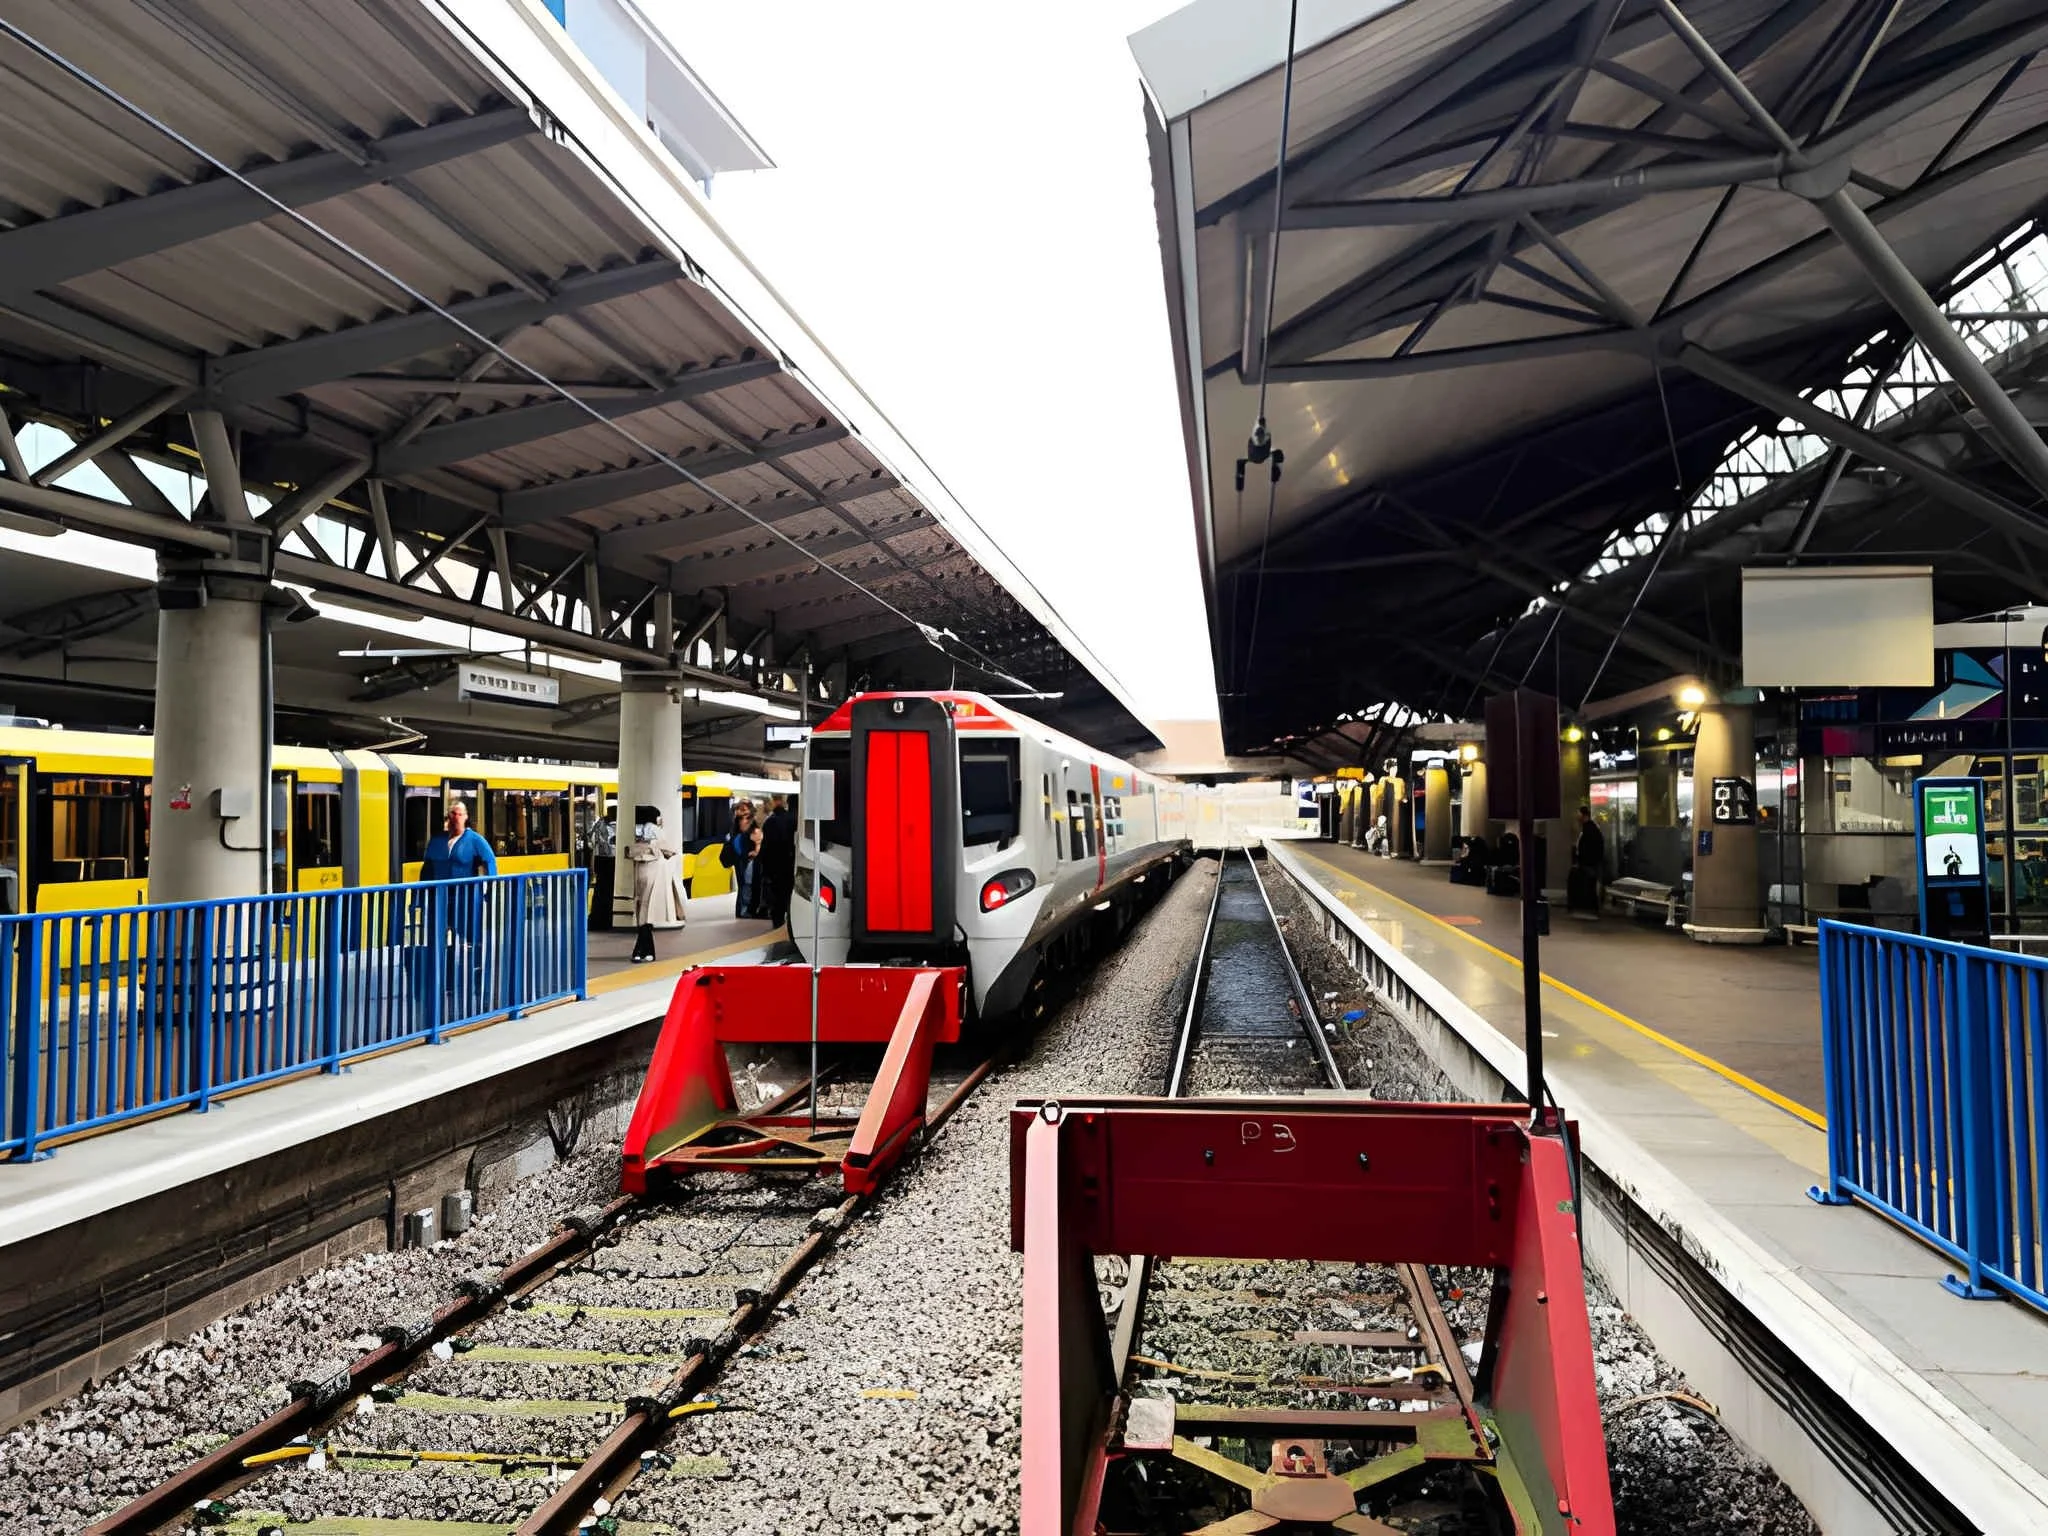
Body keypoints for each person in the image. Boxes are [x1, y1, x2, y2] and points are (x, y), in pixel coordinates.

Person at [627, 803, 683, 964]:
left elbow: (627, 849)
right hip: (654, 870)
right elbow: (669, 850)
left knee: (641, 910)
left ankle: (640, 951)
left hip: (639, 869)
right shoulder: (654, 829)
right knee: (648, 910)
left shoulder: (632, 828)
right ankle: (646, 951)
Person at [760, 795, 797, 927]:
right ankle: (790, 922)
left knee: (777, 896)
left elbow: (765, 847)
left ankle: (778, 922)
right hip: (790, 863)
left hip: (774, 866)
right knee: (789, 893)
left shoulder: (770, 822)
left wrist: (764, 866)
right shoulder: (794, 820)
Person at [1570, 805, 1606, 917]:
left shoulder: (1588, 829)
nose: (1577, 817)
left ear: (1583, 815)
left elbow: (1587, 847)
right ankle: (1592, 907)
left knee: (1590, 884)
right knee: (1591, 884)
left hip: (1589, 862)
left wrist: (1583, 859)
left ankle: (1592, 907)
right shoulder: (1591, 828)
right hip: (1591, 861)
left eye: (1579, 814)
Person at [586, 809, 616, 932]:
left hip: (599, 860)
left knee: (600, 890)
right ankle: (607, 920)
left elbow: (591, 842)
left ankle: (596, 919)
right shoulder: (618, 824)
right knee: (610, 891)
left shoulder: (599, 823)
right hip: (613, 860)